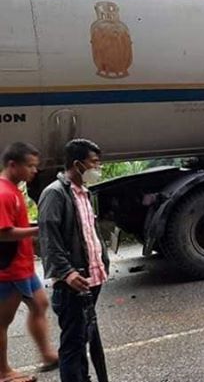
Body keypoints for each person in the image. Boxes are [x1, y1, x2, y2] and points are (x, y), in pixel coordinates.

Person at [38, 139, 110, 382]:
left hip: (91, 278)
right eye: (94, 163)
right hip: (72, 282)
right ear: (77, 164)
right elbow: (49, 239)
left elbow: (89, 233)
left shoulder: (84, 193)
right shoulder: (55, 194)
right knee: (72, 344)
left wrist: (102, 263)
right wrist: (67, 273)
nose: (97, 169)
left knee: (83, 338)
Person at [0, 143, 58, 382]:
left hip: (22, 266)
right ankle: (4, 372)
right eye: (30, 166)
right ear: (13, 165)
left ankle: (47, 354)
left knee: (40, 304)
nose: (34, 171)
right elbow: (2, 233)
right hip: (9, 270)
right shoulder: (3, 193)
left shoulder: (13, 189)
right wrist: (37, 231)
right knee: (2, 321)